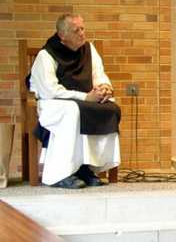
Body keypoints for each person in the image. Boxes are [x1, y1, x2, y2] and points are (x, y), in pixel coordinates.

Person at [29, 13, 121, 188]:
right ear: (62, 35)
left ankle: (85, 169)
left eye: (82, 28)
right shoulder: (46, 55)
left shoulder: (89, 49)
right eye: (75, 30)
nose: (82, 34)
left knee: (110, 108)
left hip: (83, 101)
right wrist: (85, 97)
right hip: (53, 103)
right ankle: (61, 174)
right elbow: (51, 90)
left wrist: (104, 88)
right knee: (73, 111)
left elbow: (99, 74)